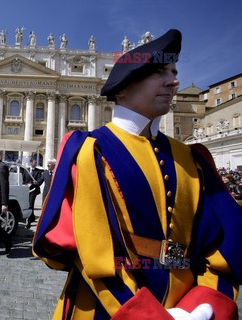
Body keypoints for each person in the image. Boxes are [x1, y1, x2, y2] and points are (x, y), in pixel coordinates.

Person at [33, 29, 241, 320]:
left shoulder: (191, 158)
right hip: (108, 308)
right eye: (159, 72)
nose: (174, 80)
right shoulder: (92, 150)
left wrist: (205, 305)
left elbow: (220, 248)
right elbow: (94, 257)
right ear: (122, 88)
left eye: (173, 71)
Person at [22, 157, 43, 229]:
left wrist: (33, 184)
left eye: (36, 162)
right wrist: (25, 184)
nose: (35, 164)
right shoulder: (26, 170)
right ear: (31, 163)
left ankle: (29, 221)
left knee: (31, 203)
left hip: (33, 190)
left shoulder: (38, 171)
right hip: (25, 190)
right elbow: (23, 179)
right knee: (26, 203)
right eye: (34, 162)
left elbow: (39, 181)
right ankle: (32, 217)